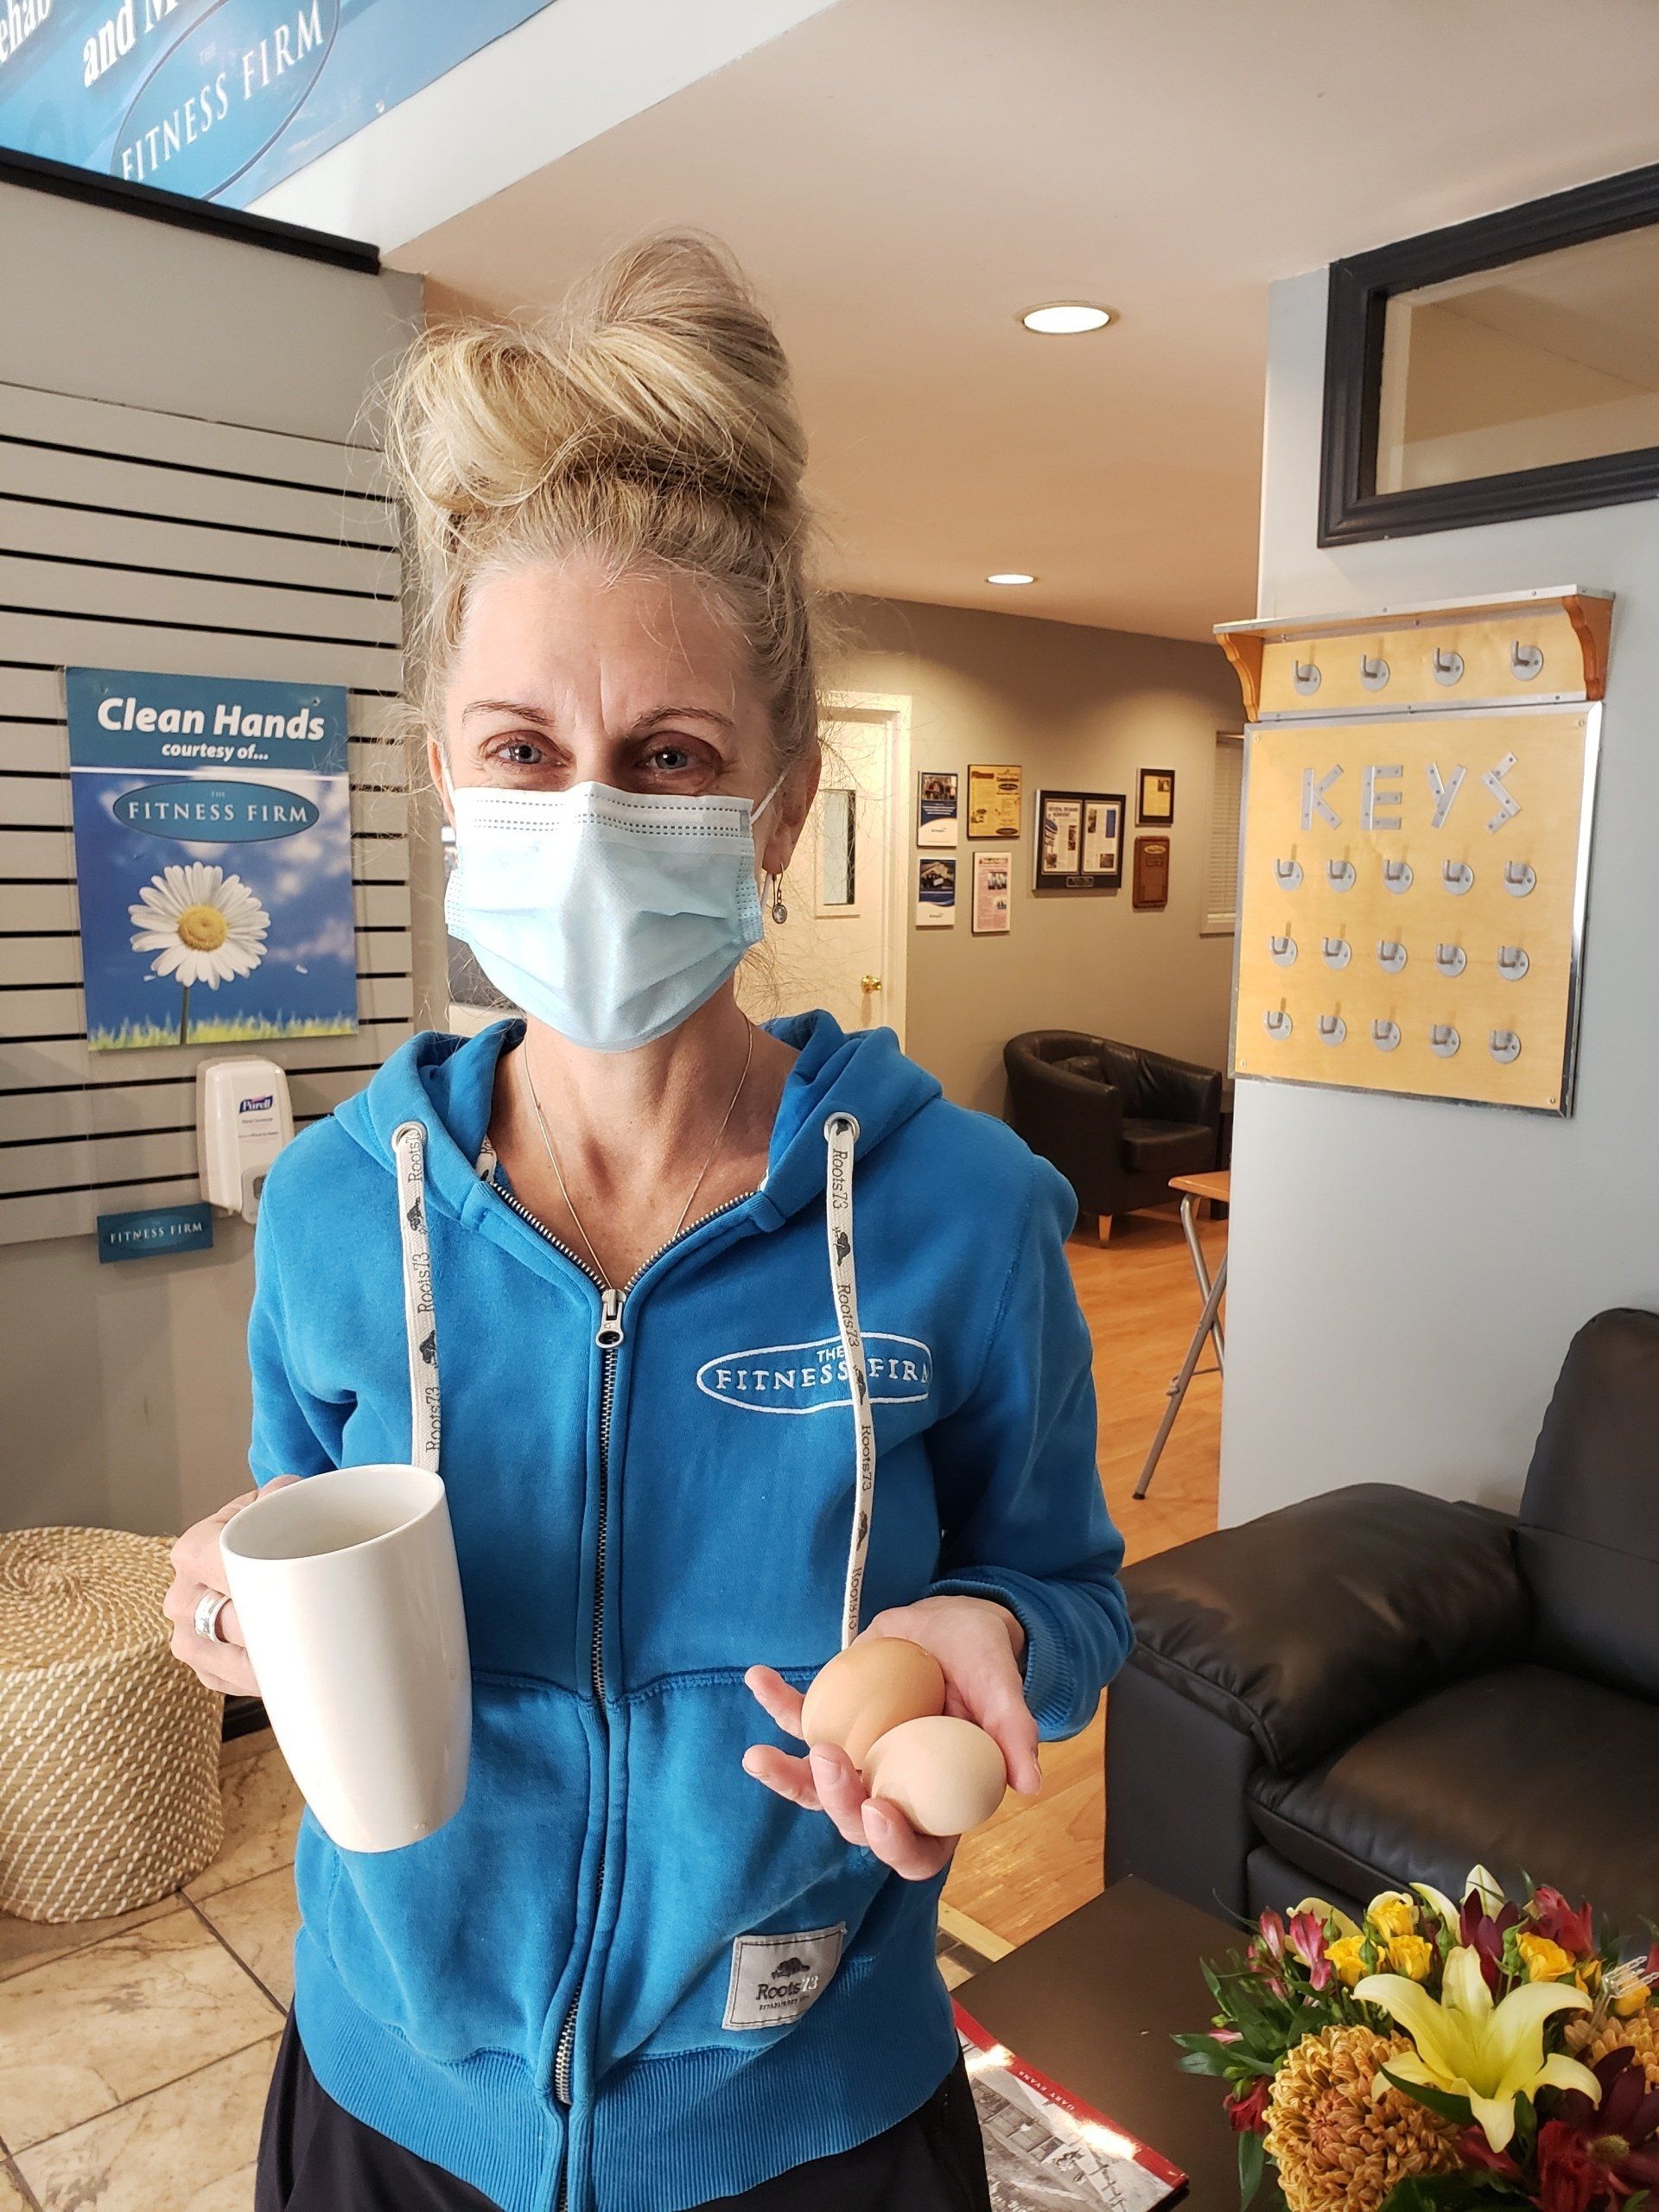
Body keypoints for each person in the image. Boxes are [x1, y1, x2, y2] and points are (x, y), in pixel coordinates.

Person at [165, 232, 1133, 2212]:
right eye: (522, 750)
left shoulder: (963, 1210)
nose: (588, 814)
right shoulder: (339, 1205)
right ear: (445, 776)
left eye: (669, 756)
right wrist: (233, 1607)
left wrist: (982, 1631)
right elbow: (290, 1524)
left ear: (780, 805)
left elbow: (1069, 1591)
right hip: (394, 2104)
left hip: (813, 2117)